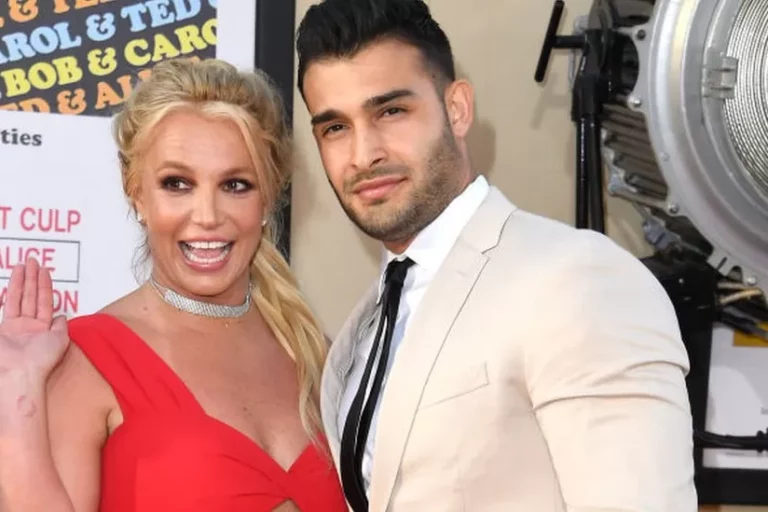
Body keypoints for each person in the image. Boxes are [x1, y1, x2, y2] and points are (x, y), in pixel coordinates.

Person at [296, 0, 698, 510]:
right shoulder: (363, 331)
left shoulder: (578, 280)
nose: (363, 154)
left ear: (458, 108)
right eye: (335, 128)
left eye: (391, 111)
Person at [0, 58, 347, 512]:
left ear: (267, 198)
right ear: (137, 194)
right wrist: (16, 391)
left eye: (236, 185)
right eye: (177, 183)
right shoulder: (88, 359)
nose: (207, 216)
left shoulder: (314, 352)